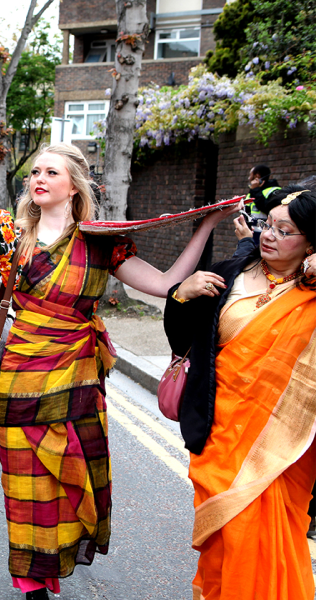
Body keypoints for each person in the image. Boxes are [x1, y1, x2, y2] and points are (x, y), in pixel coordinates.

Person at [0, 132, 237, 599]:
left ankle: (59, 556)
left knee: (73, 476)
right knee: (24, 481)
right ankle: (30, 577)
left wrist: (206, 226)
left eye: (51, 172)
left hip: (78, 378)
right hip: (20, 378)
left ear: (74, 186)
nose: (39, 179)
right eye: (35, 172)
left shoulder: (102, 242)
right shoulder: (12, 233)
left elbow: (166, 281)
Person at [164, 186, 316, 600]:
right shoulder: (230, 272)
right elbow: (183, 340)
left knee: (260, 532)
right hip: (218, 429)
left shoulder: (311, 291)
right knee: (226, 533)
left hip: (280, 447)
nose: (269, 234)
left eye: (285, 231)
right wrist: (182, 294)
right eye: (268, 223)